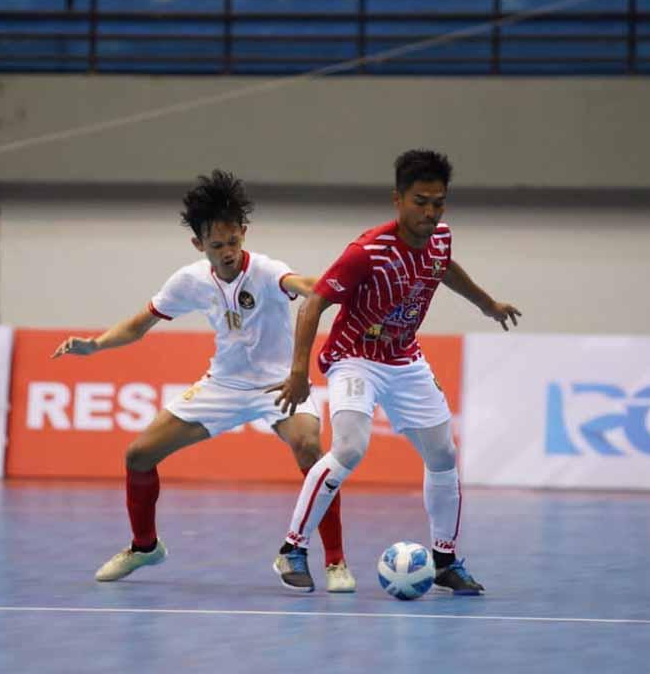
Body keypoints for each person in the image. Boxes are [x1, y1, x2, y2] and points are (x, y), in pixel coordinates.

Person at [53, 170, 354, 592]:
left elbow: (303, 285)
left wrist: (339, 289)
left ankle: (336, 562)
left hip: (277, 386)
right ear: (199, 244)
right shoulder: (190, 281)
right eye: (217, 245)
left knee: (310, 447)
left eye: (234, 242)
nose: (228, 252)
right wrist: (96, 345)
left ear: (244, 234)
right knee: (138, 455)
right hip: (222, 387)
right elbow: (139, 326)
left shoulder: (266, 271)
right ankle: (144, 547)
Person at [270, 150, 521, 594]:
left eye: (438, 202)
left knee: (444, 455)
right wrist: (297, 373)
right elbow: (313, 305)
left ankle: (445, 560)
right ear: (398, 200)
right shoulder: (367, 251)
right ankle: (292, 548)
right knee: (350, 448)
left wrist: (488, 304)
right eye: (420, 201)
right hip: (354, 357)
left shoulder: (441, 239)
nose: (429, 212)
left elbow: (444, 269)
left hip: (404, 357)